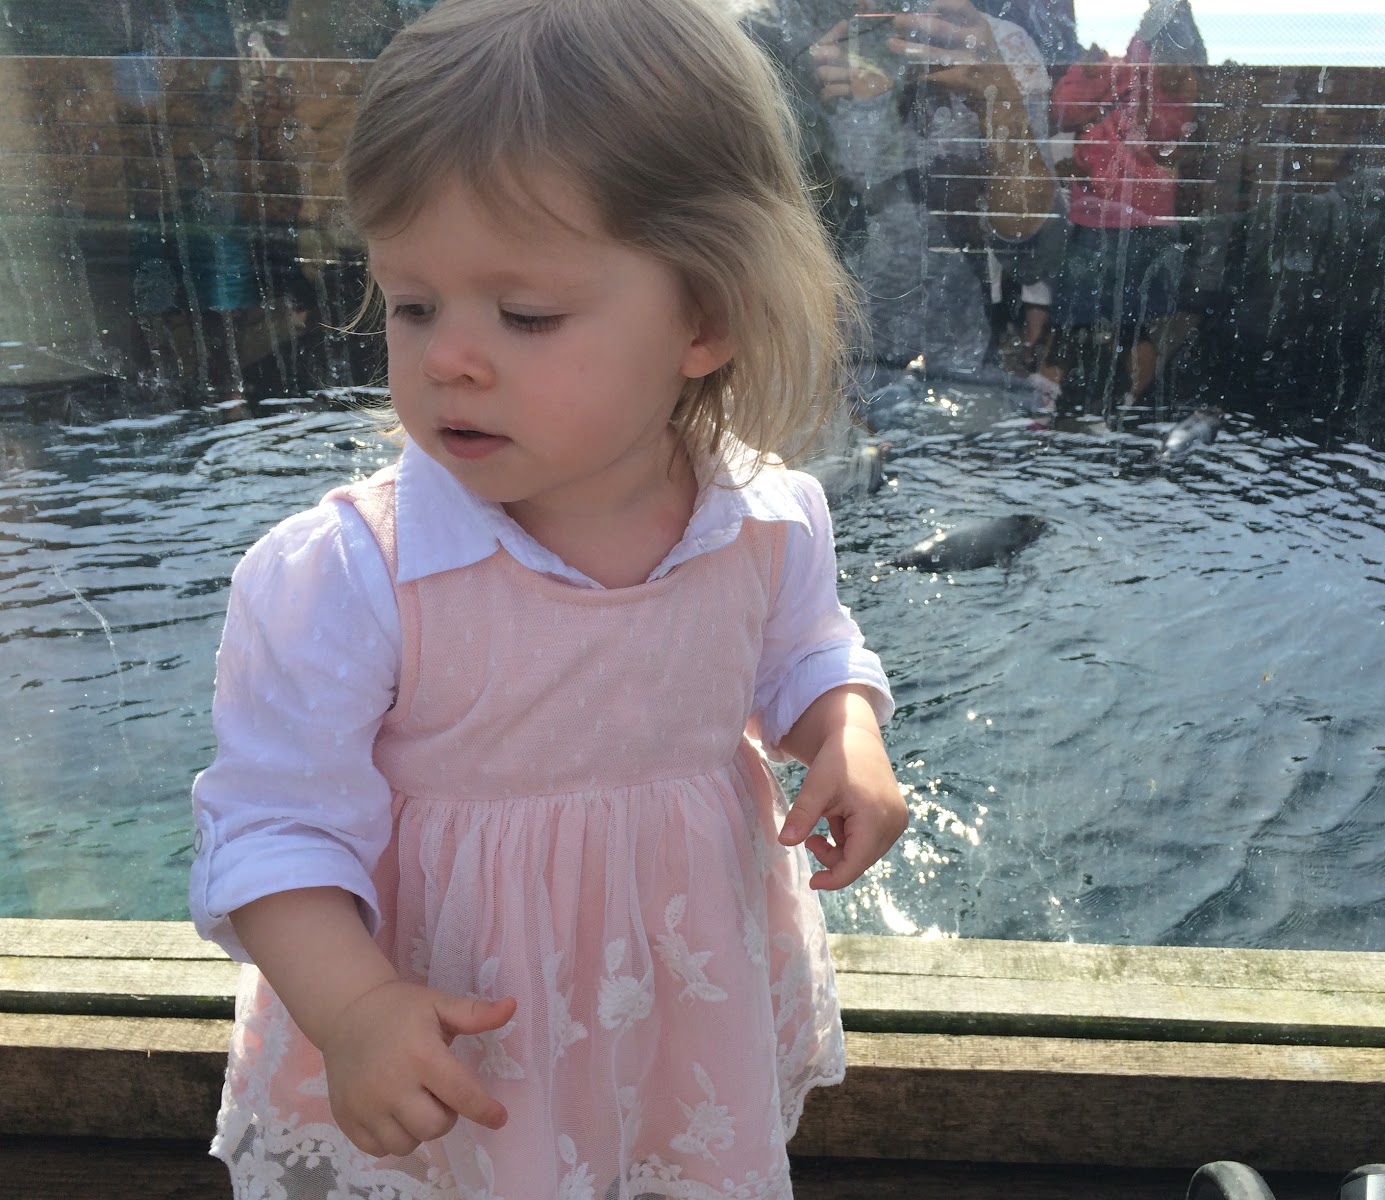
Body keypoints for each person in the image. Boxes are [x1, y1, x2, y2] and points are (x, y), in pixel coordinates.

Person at [187, 1, 907, 1197]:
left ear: (706, 317)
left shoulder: (763, 520)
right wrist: (355, 1009)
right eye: (411, 304)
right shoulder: (353, 576)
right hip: (445, 1044)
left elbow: (804, 648)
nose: (446, 358)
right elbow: (271, 827)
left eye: (524, 316)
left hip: (673, 1024)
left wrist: (843, 728)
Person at [769, 0, 1057, 380]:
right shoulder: (806, 40)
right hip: (831, 338)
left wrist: (1000, 102)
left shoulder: (996, 43)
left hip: (956, 337)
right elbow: (811, 208)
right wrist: (848, 106)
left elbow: (1027, 234)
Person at [1044, 0, 1204, 409]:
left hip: (1099, 215)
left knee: (1069, 323)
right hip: (1151, 217)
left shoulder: (1118, 72)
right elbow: (1169, 136)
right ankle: (1129, 407)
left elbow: (1063, 111)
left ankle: (1046, 412)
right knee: (1134, 325)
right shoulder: (1182, 81)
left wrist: (1091, 71)